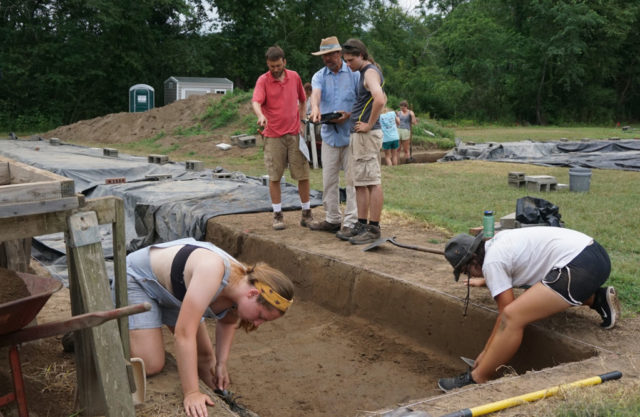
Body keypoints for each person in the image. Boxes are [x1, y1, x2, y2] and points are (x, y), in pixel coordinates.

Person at [125, 237, 294, 417]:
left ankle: (221, 402)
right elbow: (184, 335)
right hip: (141, 280)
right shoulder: (212, 272)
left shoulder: (242, 289)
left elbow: (228, 322)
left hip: (176, 293)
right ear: (253, 294)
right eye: (260, 316)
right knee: (151, 364)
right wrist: (191, 393)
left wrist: (221, 363)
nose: (257, 324)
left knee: (207, 361)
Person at [437, 227, 620, 392]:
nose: (470, 276)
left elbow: (506, 315)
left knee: (513, 317)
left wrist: (486, 353)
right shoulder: (497, 242)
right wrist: (487, 280)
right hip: (594, 254)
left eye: (465, 272)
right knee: (534, 289)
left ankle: (477, 378)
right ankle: (598, 299)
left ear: (473, 262)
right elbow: (519, 265)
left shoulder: (492, 263)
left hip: (579, 267)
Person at [252, 45, 313, 230]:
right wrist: (260, 115)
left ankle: (306, 212)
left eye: (278, 66)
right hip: (273, 136)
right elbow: (256, 101)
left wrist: (302, 121)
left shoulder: (294, 77)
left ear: (284, 62)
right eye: (272, 67)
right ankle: (278, 214)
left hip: (294, 134)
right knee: (275, 176)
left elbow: (303, 99)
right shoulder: (263, 81)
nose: (276, 70)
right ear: (267, 65)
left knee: (302, 174)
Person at [307, 36, 360, 235]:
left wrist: (349, 115)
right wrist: (315, 109)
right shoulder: (319, 76)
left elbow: (362, 100)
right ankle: (332, 218)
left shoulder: (354, 74)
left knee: (352, 180)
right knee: (328, 179)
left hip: (351, 134)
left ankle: (351, 222)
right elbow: (316, 95)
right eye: (324, 56)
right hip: (330, 134)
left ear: (339, 53)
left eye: (330, 54)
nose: (327, 59)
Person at [338, 38, 386, 245]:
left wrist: (367, 124)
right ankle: (361, 224)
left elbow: (380, 99)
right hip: (360, 137)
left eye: (350, 60)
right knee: (360, 183)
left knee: (372, 182)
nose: (348, 64)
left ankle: (373, 228)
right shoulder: (363, 72)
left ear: (361, 55)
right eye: (346, 60)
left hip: (366, 136)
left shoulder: (369, 72)